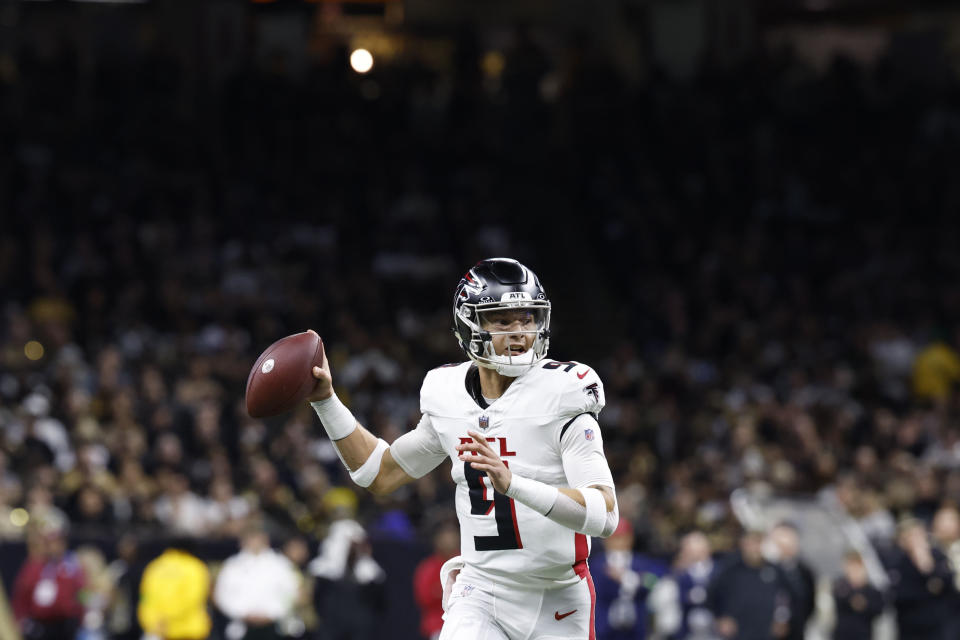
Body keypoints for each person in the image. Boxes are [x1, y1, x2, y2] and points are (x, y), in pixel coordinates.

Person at [306, 258, 619, 640]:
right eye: (503, 321)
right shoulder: (447, 394)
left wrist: (514, 484)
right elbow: (379, 473)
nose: (519, 333)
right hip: (482, 590)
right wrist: (325, 400)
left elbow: (605, 515)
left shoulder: (565, 392)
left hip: (557, 595)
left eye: (527, 318)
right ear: (469, 324)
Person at [213, 523, 300, 640]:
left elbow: (292, 593)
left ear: (266, 539)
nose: (254, 541)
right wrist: (242, 613)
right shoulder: (232, 566)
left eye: (257, 537)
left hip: (275, 626)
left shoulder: (281, 565)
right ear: (242, 541)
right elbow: (221, 595)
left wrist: (272, 613)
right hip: (241, 626)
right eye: (250, 538)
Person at [11, 509, 87, 640]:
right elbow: (22, 595)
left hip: (65, 624)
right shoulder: (34, 566)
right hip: (40, 625)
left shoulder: (72, 564)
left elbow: (81, 592)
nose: (54, 546)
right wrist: (21, 620)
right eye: (50, 542)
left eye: (58, 541)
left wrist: (81, 615)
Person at [590, 519, 667, 640]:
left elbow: (653, 582)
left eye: (622, 537)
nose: (618, 542)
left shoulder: (641, 563)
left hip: (635, 626)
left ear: (630, 539)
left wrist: (629, 578)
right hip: (605, 626)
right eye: (614, 538)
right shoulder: (598, 564)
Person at [137, 538, 211, 640]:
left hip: (158, 630)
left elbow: (144, 597)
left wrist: (154, 621)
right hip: (188, 631)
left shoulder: (154, 567)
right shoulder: (194, 567)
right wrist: (169, 618)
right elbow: (193, 598)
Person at [413, 516, 460, 640]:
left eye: (452, 533)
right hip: (438, 627)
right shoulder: (428, 567)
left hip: (466, 623)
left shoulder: (465, 562)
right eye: (445, 535)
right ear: (437, 539)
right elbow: (424, 597)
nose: (449, 539)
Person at [767, 522, 816, 640]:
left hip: (795, 631)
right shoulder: (764, 570)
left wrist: (796, 621)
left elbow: (809, 602)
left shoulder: (804, 571)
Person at [831, 550, 883, 640]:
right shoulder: (840, 584)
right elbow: (842, 598)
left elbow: (878, 608)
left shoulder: (870, 588)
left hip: (863, 634)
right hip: (842, 635)